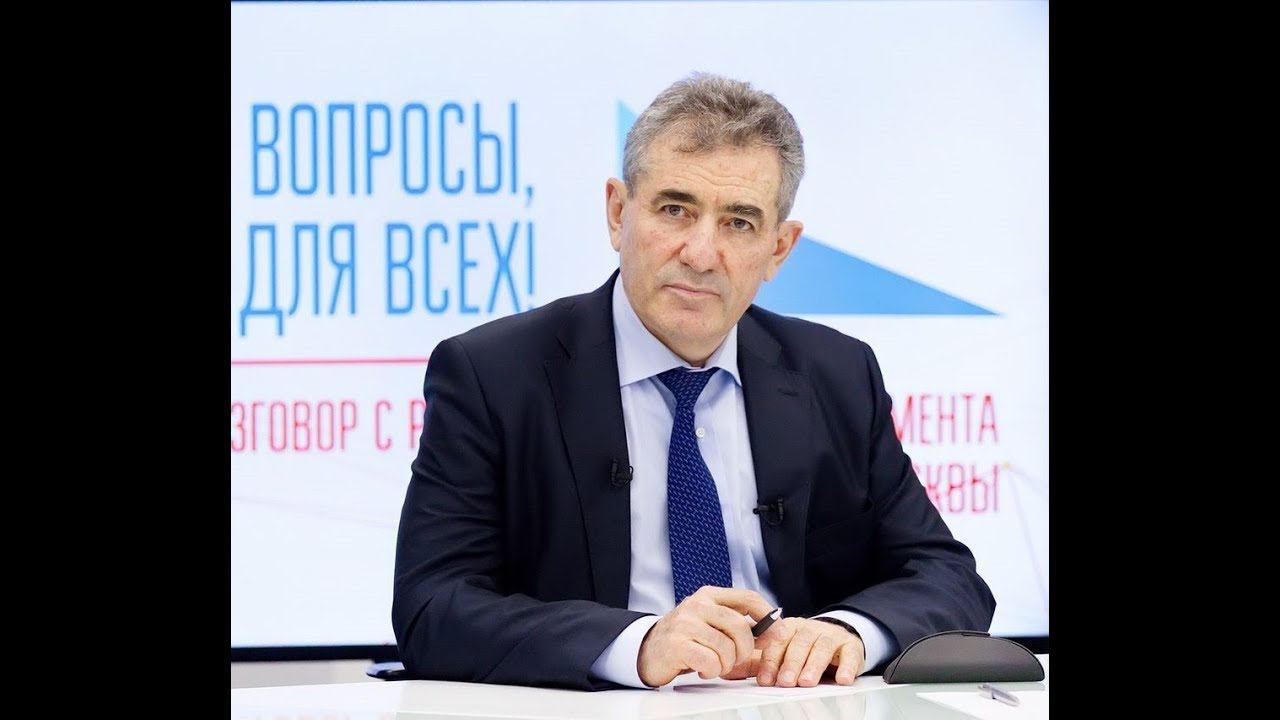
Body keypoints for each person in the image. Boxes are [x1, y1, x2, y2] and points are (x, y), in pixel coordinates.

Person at [393, 73, 995, 691]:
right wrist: (636, 644)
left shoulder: (837, 374)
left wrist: (848, 630)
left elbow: (947, 578)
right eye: (675, 210)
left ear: (779, 248)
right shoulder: (493, 374)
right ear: (618, 213)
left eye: (739, 223)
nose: (701, 254)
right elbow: (431, 607)